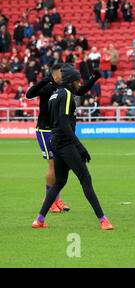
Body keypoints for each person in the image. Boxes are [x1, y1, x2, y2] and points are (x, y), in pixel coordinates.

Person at [32, 65, 113, 230]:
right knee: (85, 178)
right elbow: (63, 121)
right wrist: (79, 146)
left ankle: (39, 219)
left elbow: (58, 118)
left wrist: (92, 79)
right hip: (64, 142)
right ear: (72, 81)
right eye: (78, 81)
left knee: (60, 181)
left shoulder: (56, 94)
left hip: (55, 140)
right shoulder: (67, 95)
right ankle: (103, 220)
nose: (79, 83)